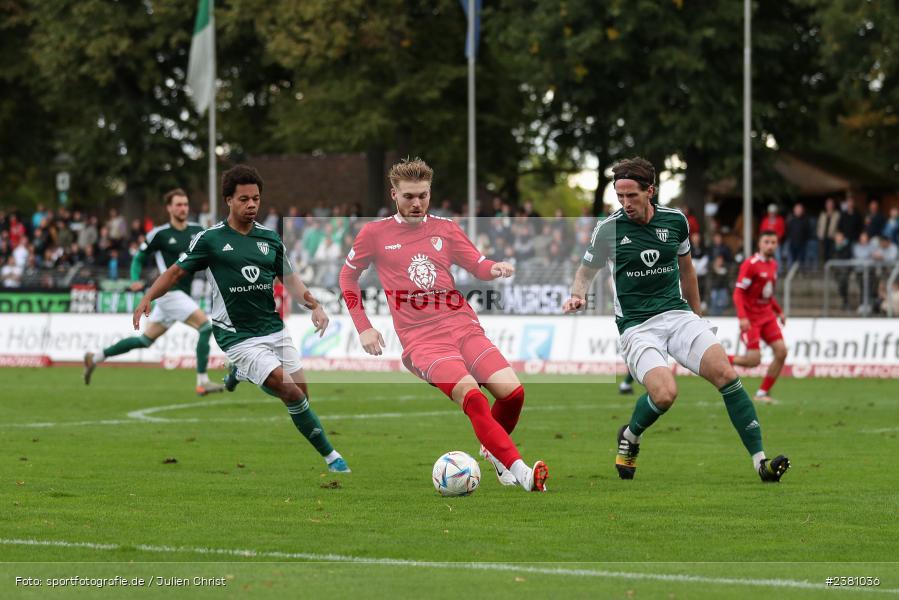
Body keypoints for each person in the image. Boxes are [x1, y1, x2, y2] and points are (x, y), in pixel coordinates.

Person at [563, 156, 789, 483]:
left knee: (726, 372)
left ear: (650, 191)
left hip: (678, 315)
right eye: (620, 196)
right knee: (665, 394)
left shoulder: (675, 222)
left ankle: (761, 463)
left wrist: (696, 317)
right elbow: (585, 271)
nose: (625, 203)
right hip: (637, 327)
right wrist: (578, 294)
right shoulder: (608, 229)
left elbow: (687, 270)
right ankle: (631, 434)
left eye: (632, 196)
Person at [338, 157, 548, 492]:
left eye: (423, 195)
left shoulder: (446, 229)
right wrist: (363, 325)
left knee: (513, 394)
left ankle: (494, 452)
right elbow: (348, 277)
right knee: (473, 397)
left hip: (462, 325)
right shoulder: (374, 234)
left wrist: (493, 268)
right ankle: (521, 471)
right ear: (394, 194)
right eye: (409, 196)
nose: (417, 202)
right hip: (423, 340)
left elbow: (477, 264)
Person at [133, 166, 350, 473]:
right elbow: (175, 272)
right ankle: (332, 457)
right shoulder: (210, 239)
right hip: (236, 334)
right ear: (229, 201)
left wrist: (314, 305)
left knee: (301, 394)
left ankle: (243, 374)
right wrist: (147, 297)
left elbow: (290, 279)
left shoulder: (270, 239)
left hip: (273, 328)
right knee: (288, 390)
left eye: (256, 199)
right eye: (244, 199)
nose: (252, 205)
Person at [83, 189, 225, 396]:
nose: (183, 208)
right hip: (169, 292)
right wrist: (133, 279)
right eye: (178, 204)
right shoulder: (159, 234)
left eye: (185, 204)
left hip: (183, 294)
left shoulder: (198, 230)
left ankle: (94, 357)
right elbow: (139, 257)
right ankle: (202, 381)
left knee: (145, 341)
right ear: (169, 208)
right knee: (205, 327)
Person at [729, 231, 787, 403]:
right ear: (760, 244)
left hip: (767, 316)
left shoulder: (774, 265)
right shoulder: (750, 264)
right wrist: (742, 317)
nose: (770, 245)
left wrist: (779, 311)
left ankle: (762, 393)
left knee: (781, 352)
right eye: (767, 242)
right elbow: (738, 292)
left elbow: (767, 293)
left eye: (773, 242)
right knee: (754, 361)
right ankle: (721, 359)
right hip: (751, 319)